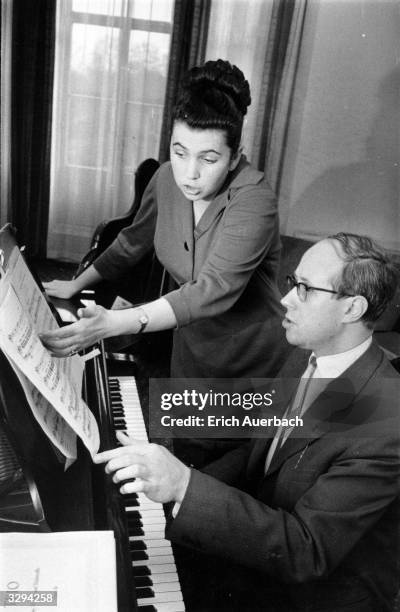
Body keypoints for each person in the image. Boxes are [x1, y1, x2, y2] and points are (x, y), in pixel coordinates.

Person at [93, 232, 400, 611]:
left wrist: (185, 487)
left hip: (316, 594)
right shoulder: (306, 354)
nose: (286, 299)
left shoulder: (386, 422)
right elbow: (262, 452)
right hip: (269, 541)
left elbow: (307, 550)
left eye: (304, 289)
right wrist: (181, 485)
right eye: (292, 282)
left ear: (352, 309)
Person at [42, 59, 286, 382]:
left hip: (249, 365)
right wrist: (78, 282)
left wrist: (117, 322)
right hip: (189, 352)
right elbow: (131, 243)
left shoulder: (255, 200)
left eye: (208, 159)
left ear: (235, 157)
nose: (189, 172)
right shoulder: (166, 179)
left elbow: (210, 289)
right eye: (180, 151)